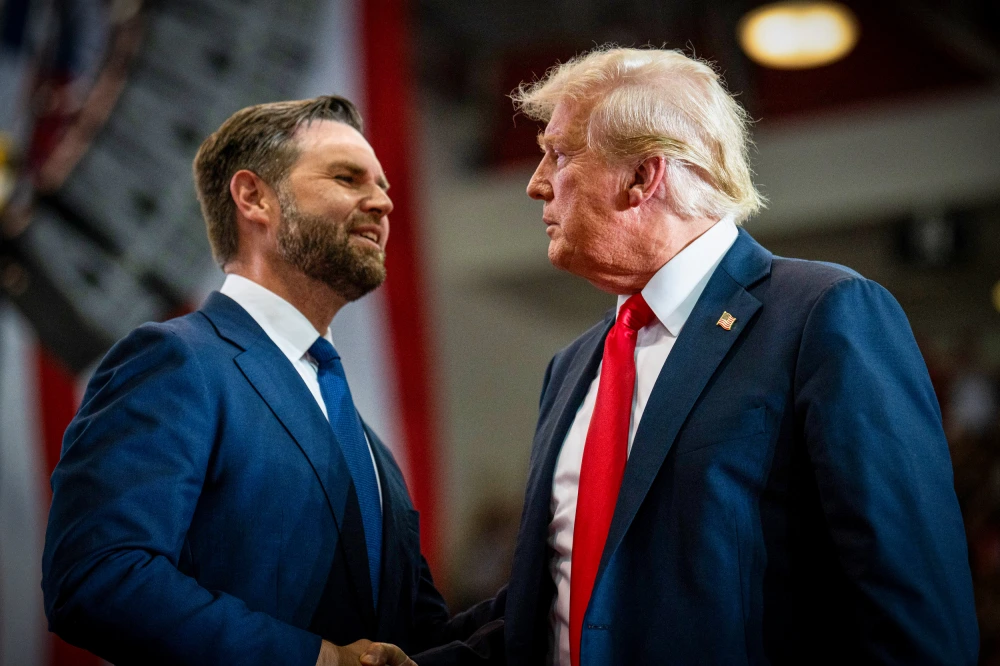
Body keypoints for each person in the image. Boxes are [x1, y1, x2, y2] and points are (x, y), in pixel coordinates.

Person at [497, 47, 980, 665]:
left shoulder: (825, 316)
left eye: (558, 153)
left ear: (644, 176)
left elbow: (916, 617)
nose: (536, 181)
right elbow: (555, 608)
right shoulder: (570, 369)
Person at [41, 96, 496, 666]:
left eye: (381, 184)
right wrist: (318, 659)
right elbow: (99, 575)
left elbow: (411, 640)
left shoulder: (367, 445)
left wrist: (551, 589)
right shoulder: (176, 362)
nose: (382, 201)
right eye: (347, 177)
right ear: (254, 197)